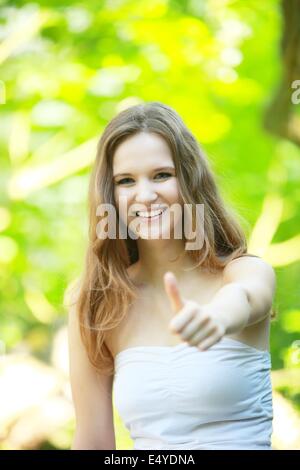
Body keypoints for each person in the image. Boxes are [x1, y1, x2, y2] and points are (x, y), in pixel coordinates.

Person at [66, 101, 276, 450]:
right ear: (110, 194)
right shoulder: (94, 303)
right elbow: (92, 441)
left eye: (162, 175)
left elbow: (246, 297)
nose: (145, 195)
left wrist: (216, 318)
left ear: (190, 181)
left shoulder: (242, 272)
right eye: (126, 181)